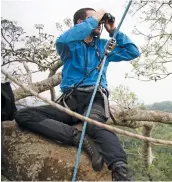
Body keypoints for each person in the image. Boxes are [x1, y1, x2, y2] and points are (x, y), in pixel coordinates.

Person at [15, 8, 140, 181]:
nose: (99, 23)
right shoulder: (69, 47)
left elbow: (133, 52)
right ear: (81, 23)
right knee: (24, 115)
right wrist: (95, 19)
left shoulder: (103, 46)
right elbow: (64, 40)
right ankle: (77, 137)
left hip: (94, 97)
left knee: (95, 123)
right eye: (93, 19)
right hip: (70, 101)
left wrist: (114, 31)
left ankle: (120, 172)